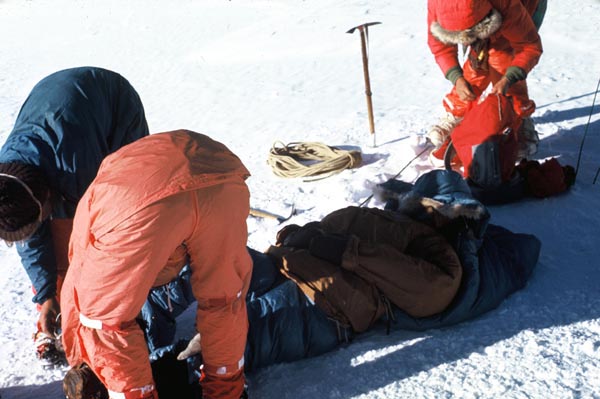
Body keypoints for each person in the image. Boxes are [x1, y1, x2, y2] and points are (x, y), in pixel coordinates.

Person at [60, 130, 252, 399]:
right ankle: (227, 391)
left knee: (103, 321)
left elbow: (92, 315)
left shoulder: (88, 229)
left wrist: (82, 359)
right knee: (225, 298)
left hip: (138, 203)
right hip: (219, 176)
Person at [0, 67, 149, 365]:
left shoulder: (75, 168)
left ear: (44, 199)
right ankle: (60, 308)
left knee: (124, 210)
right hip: (57, 105)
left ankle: (120, 312)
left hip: (114, 102)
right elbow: (31, 240)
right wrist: (46, 297)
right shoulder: (7, 178)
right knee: (56, 245)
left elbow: (97, 240)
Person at [426, 0, 545, 163]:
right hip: (481, 15)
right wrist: (457, 78)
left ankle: (518, 117)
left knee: (502, 57)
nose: (465, 43)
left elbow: (529, 47)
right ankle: (457, 112)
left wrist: (508, 79)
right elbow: (440, 48)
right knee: (478, 59)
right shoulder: (438, 5)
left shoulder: (506, 5)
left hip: (525, 6)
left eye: (468, 36)